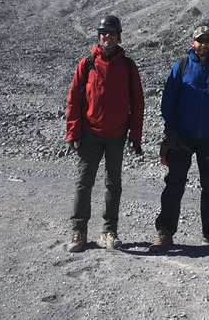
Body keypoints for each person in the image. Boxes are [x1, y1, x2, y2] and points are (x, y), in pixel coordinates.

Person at [150, 25, 209, 251]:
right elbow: (167, 102)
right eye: (200, 40)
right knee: (174, 185)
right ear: (192, 43)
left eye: (208, 41)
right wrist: (170, 131)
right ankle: (165, 232)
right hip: (182, 138)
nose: (204, 45)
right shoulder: (180, 68)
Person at [65, 15, 144, 252]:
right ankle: (78, 230)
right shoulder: (87, 64)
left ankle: (110, 230)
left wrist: (135, 136)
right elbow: (74, 101)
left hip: (116, 135)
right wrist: (73, 132)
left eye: (110, 32)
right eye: (102, 32)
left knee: (113, 183)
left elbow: (137, 103)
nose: (106, 36)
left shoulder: (128, 66)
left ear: (119, 34)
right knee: (83, 182)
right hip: (90, 133)